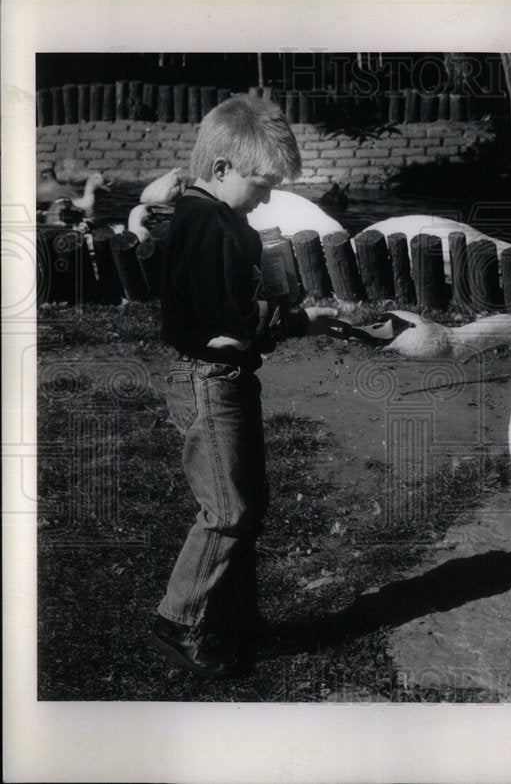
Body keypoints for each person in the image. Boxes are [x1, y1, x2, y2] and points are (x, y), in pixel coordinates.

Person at [153, 94, 345, 678]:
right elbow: (229, 327)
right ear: (220, 170)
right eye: (261, 185)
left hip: (227, 379)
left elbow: (229, 309)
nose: (265, 198)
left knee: (247, 503)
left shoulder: (214, 219)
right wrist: (290, 317)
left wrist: (271, 300)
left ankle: (233, 620)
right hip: (210, 381)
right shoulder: (209, 224)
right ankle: (179, 620)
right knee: (228, 509)